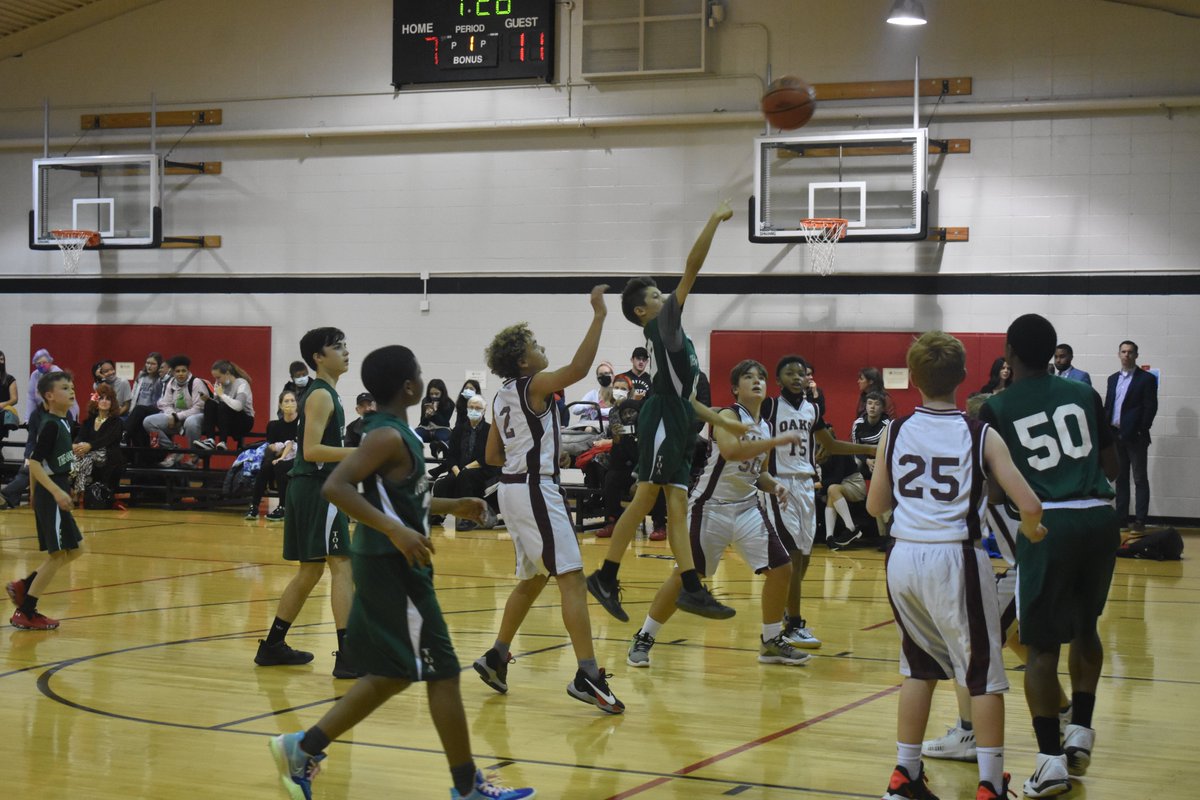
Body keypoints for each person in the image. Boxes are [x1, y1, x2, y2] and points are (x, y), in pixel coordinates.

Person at [269, 344, 534, 800]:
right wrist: (395, 530)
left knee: (391, 674)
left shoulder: (395, 433)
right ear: (409, 386)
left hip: (393, 563)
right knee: (443, 670)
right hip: (393, 566)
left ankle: (303, 747)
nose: (423, 380)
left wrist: (455, 504)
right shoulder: (386, 436)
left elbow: (403, 496)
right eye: (419, 373)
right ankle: (466, 787)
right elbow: (336, 486)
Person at [866, 331, 1045, 800]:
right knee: (982, 675)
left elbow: (875, 505)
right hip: (955, 556)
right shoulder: (979, 432)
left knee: (918, 667)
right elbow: (1029, 503)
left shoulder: (894, 431)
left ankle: (905, 775)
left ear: (913, 378)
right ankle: (990, 783)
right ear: (963, 376)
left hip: (903, 556)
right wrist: (1031, 530)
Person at [586, 201, 751, 623]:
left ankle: (692, 588)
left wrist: (721, 421)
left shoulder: (675, 340)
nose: (667, 298)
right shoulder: (664, 326)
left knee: (677, 504)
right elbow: (692, 268)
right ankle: (605, 576)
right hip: (660, 417)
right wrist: (713, 219)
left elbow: (687, 400)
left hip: (675, 416)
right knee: (646, 497)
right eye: (657, 296)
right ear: (643, 311)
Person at [981, 315, 1120, 798]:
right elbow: (1111, 464)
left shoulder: (997, 407)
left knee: (1041, 649)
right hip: (1099, 517)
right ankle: (1080, 730)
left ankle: (1049, 764)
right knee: (1086, 627)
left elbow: (996, 494)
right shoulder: (1084, 393)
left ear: (1009, 352)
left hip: (1048, 523)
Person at [472, 286, 625, 715]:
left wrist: (537, 451)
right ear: (523, 361)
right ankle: (587, 674)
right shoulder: (535, 383)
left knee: (535, 579)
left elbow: (491, 455)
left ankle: (496, 656)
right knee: (571, 578)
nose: (542, 349)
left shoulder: (502, 394)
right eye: (535, 345)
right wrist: (599, 316)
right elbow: (578, 368)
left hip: (512, 488)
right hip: (535, 490)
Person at [626, 360, 810, 669]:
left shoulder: (764, 426)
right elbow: (731, 451)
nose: (757, 381)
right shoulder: (727, 416)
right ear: (736, 388)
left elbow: (759, 474)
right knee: (686, 577)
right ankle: (644, 636)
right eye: (748, 377)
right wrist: (778, 442)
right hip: (710, 507)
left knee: (781, 569)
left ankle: (770, 642)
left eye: (761, 377)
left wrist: (775, 485)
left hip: (747, 507)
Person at [922, 393, 1073, 764]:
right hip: (1050, 560)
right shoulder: (1018, 458)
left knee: (966, 643)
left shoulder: (989, 469)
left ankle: (968, 732)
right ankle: (1065, 712)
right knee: (1016, 640)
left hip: (1030, 567)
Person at [254, 328, 360, 679]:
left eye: (345, 346)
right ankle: (348, 656)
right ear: (318, 357)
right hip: (318, 489)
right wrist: (361, 452)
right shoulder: (321, 396)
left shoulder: (324, 393)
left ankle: (273, 645)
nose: (346, 352)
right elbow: (312, 450)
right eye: (337, 347)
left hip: (310, 487)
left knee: (311, 570)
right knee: (342, 565)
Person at [763, 356, 876, 649]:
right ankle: (793, 624)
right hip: (780, 484)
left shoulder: (812, 409)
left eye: (801, 373)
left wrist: (871, 449)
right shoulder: (770, 406)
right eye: (789, 373)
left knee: (805, 556)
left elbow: (832, 445)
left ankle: (785, 611)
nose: (796, 377)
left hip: (805, 485)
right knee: (792, 556)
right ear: (778, 380)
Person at [5, 371, 87, 630]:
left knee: (76, 549)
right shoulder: (50, 424)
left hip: (55, 489)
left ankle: (24, 586)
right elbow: (34, 463)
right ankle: (26, 611)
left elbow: (51, 459)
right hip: (52, 492)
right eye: (65, 388)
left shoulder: (65, 421)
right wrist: (54, 492)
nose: (71, 391)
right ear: (49, 396)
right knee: (58, 554)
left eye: (72, 386)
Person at [824, 389, 890, 550]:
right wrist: (866, 459)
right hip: (863, 460)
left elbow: (887, 448)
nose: (872, 407)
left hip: (881, 460)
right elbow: (855, 447)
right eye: (869, 403)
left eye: (876, 404)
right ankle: (832, 534)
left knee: (881, 478)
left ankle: (885, 535)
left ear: (882, 408)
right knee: (853, 462)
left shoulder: (887, 424)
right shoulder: (858, 423)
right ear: (865, 406)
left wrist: (876, 461)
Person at [1103, 340, 1157, 533]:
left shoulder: (1146, 379)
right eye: (1123, 352)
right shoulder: (1112, 379)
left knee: (1140, 478)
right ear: (1119, 354)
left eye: (1130, 352)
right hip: (1115, 434)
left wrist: (1141, 428)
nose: (1126, 355)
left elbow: (1150, 406)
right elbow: (1109, 405)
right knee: (1121, 479)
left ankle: (1140, 520)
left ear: (1136, 355)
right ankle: (1121, 519)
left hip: (1136, 436)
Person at [431, 393, 499, 531]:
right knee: (443, 483)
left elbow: (487, 457)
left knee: (466, 476)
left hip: (482, 470)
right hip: (461, 470)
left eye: (478, 408)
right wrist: (457, 470)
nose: (474, 410)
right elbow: (451, 456)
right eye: (471, 407)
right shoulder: (458, 430)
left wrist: (466, 468)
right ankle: (438, 515)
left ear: (484, 410)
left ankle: (469, 518)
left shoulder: (490, 430)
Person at [143, 355, 211, 466]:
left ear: (188, 371)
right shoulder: (171, 383)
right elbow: (165, 404)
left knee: (191, 422)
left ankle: (194, 457)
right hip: (175, 417)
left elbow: (198, 408)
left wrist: (177, 417)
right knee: (148, 421)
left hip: (195, 417)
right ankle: (174, 450)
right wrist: (172, 415)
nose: (180, 374)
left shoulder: (196, 382)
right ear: (173, 372)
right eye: (177, 371)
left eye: (183, 371)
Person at [246, 389, 300, 521]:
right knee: (265, 466)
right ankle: (254, 506)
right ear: (281, 405)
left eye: (292, 401)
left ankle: (283, 506)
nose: (290, 404)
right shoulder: (274, 425)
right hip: (279, 457)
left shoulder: (302, 423)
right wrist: (279, 451)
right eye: (286, 401)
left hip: (297, 458)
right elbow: (272, 448)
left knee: (280, 466)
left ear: (297, 404)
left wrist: (282, 450)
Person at [71, 382, 126, 502]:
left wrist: (89, 446)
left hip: (108, 455)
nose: (104, 401)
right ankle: (78, 491)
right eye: (101, 398)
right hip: (88, 454)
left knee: (81, 458)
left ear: (112, 403)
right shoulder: (90, 420)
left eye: (108, 399)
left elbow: (108, 439)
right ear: (96, 401)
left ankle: (75, 491)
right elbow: (81, 436)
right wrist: (75, 445)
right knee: (75, 457)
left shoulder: (116, 422)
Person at [196, 360, 255, 450]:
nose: (216, 381)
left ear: (227, 373)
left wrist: (222, 395)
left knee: (223, 405)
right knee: (210, 404)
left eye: (218, 377)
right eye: (215, 378)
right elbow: (216, 405)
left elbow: (238, 406)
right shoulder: (219, 384)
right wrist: (208, 400)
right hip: (226, 421)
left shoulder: (242, 384)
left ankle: (223, 442)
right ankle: (210, 440)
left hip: (244, 422)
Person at [125, 352, 166, 451]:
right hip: (138, 411)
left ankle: (124, 433)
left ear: (159, 365)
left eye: (153, 364)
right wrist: (131, 410)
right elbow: (134, 393)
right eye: (148, 363)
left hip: (153, 411)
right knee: (138, 437)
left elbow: (162, 398)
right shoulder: (141, 376)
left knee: (139, 410)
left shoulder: (161, 379)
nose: (149, 366)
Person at [26, 349, 79, 420]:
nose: (41, 365)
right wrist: (27, 419)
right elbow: (31, 398)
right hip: (43, 411)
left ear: (50, 361)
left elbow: (67, 400)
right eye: (38, 363)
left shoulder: (58, 374)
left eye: (44, 362)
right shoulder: (35, 375)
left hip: (59, 412)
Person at [417, 378, 455, 457]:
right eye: (431, 394)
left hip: (442, 428)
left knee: (448, 438)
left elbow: (444, 422)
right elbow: (422, 422)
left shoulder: (449, 403)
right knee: (413, 436)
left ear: (442, 393)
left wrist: (435, 413)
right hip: (426, 428)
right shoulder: (425, 401)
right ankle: (416, 458)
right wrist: (426, 416)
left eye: (437, 394)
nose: (434, 396)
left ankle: (437, 449)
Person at [0, 350, 19, 433]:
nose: (0, 362)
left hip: (2, 413)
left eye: (1, 359)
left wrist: (2, 405)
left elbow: (14, 399)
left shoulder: (10, 379)